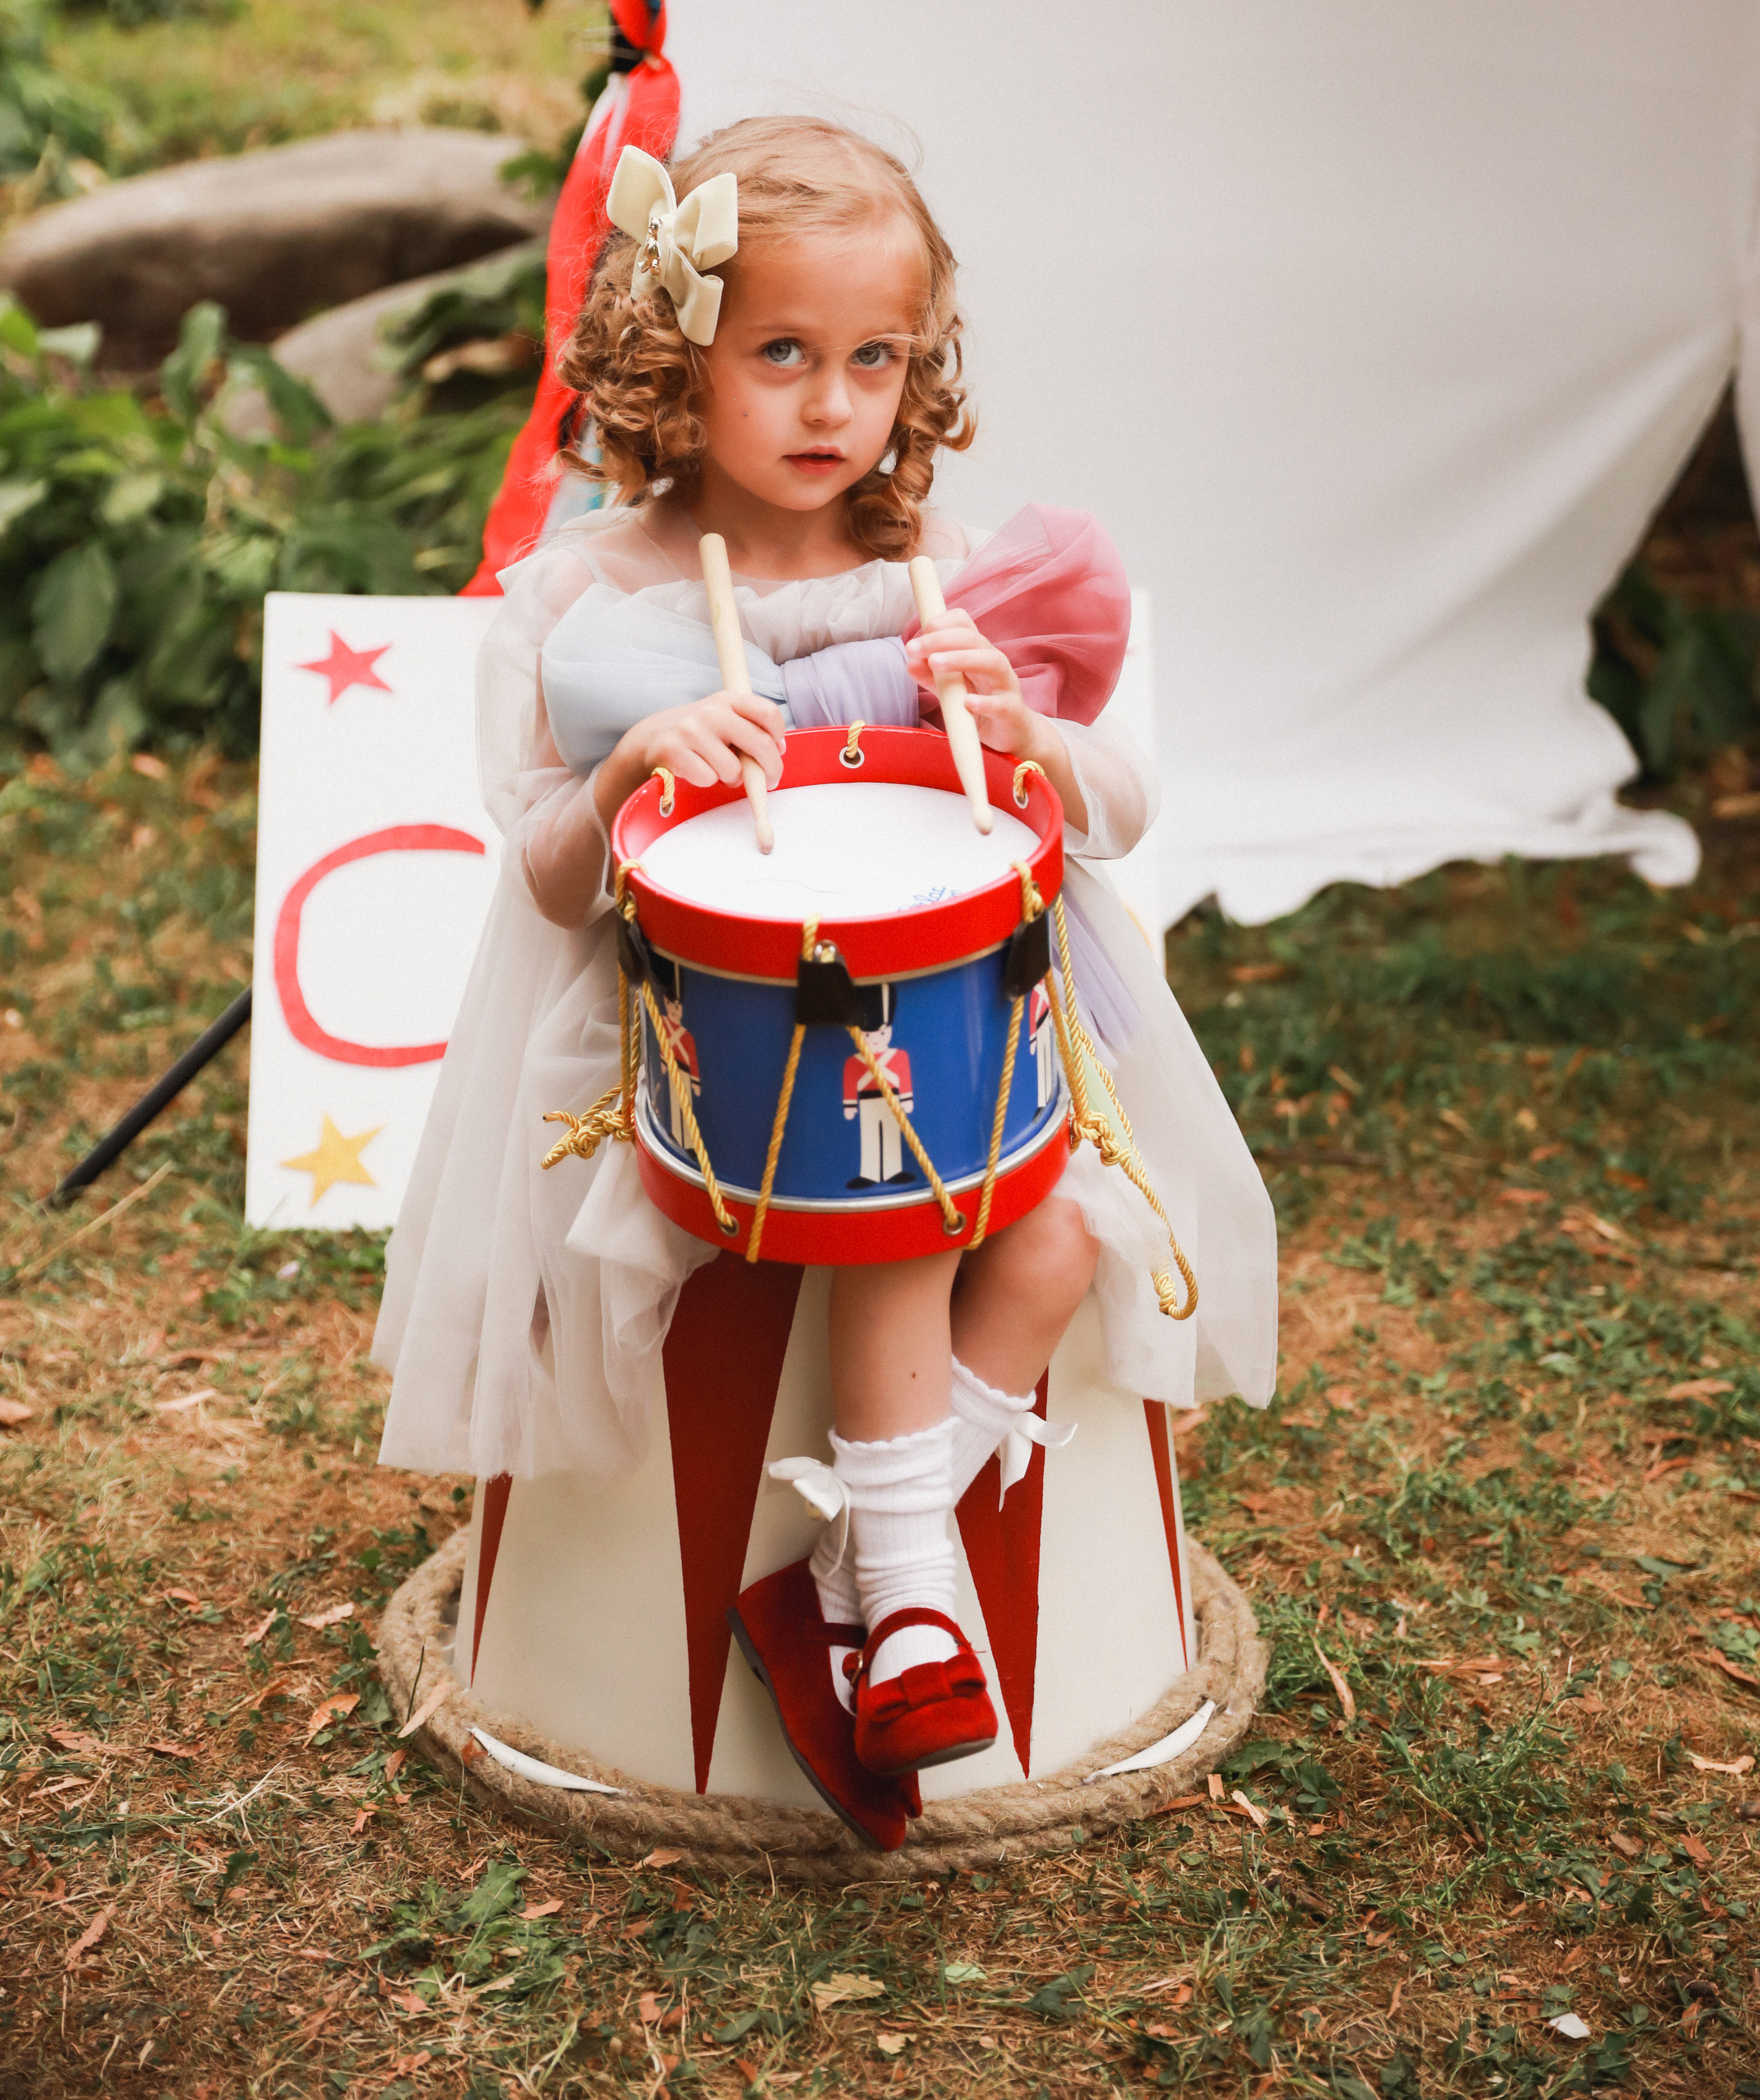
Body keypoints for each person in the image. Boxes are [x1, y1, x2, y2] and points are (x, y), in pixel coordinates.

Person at [371, 114, 1276, 1845]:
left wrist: (1016, 733)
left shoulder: (940, 580)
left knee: (1050, 1226)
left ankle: (856, 1564)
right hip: (675, 1057)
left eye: (872, 360)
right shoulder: (595, 594)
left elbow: (1113, 809)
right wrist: (637, 761)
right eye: (779, 354)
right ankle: (915, 1591)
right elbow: (553, 881)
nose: (828, 405)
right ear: (672, 357)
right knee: (899, 1188)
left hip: (971, 1041)